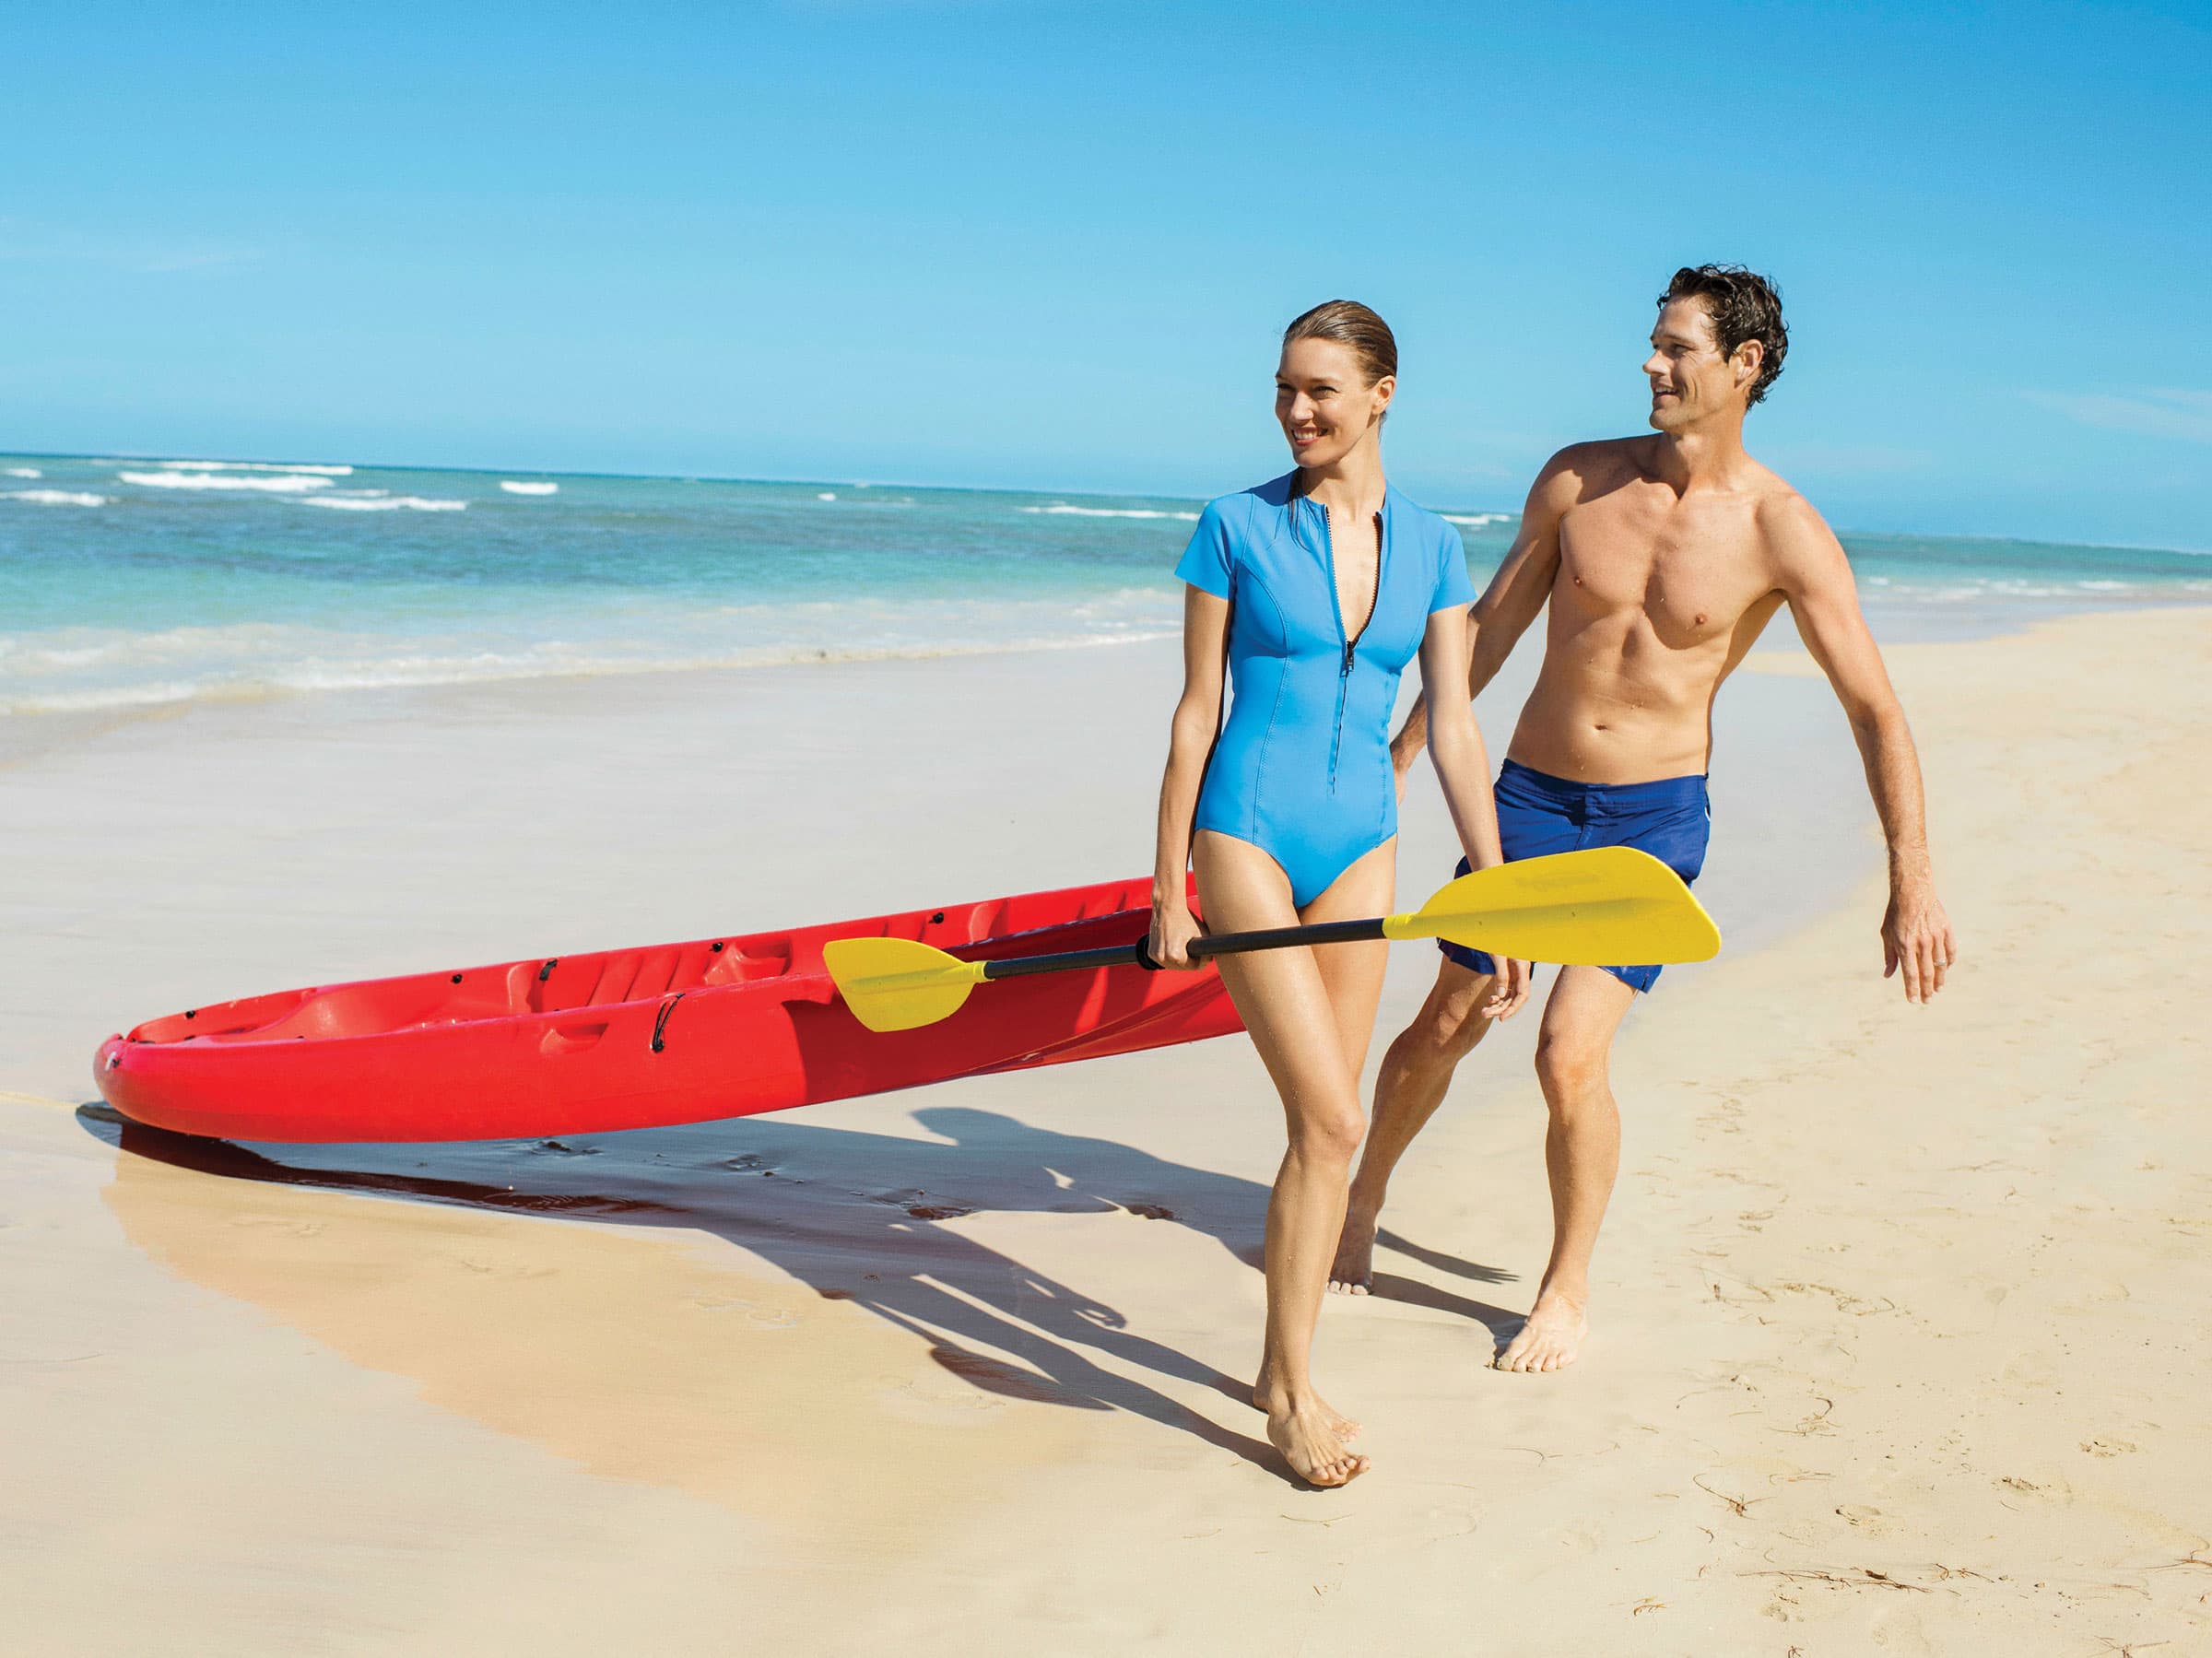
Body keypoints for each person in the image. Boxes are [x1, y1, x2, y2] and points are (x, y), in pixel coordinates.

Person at [1325, 266, 1959, 1380]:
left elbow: (1874, 705)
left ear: (1743, 366)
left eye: (1677, 348)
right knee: (1449, 1019)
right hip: (1524, 794)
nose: (1651, 365)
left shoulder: (1782, 530)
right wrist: (1399, 757)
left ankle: (1565, 1286)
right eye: (1652, 343)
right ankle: (1365, 1190)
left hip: (1653, 821)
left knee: (1569, 1054)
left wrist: (1914, 876)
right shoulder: (1581, 477)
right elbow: (1491, 626)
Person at [1147, 300, 1529, 1487]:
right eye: (1283, 388)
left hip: (1364, 837)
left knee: (1324, 1124)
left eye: (1321, 388)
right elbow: (1198, 710)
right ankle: (1290, 1391)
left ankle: (1284, 1363)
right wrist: (1171, 882)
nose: (1298, 410)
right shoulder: (1234, 525)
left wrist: (1500, 894)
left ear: (1382, 393)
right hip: (1246, 833)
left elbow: (1457, 728)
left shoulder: (1435, 545)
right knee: (1335, 1121)